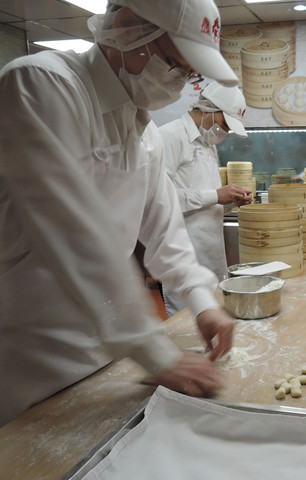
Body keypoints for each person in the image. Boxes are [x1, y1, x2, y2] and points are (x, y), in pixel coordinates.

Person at [0, 0, 238, 427]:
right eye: (175, 65)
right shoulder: (42, 85)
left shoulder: (144, 133)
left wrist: (203, 302)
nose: (180, 84)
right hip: (29, 362)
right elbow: (73, 234)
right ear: (127, 28)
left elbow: (167, 234)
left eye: (190, 74)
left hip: (106, 358)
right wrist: (157, 353)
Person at [160, 82, 252, 318]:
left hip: (212, 254)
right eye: (224, 124)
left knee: (213, 318)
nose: (225, 132)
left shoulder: (207, 143)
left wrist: (230, 201)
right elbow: (159, 199)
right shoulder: (169, 136)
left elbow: (205, 200)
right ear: (208, 108)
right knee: (185, 323)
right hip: (183, 255)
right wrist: (217, 195)